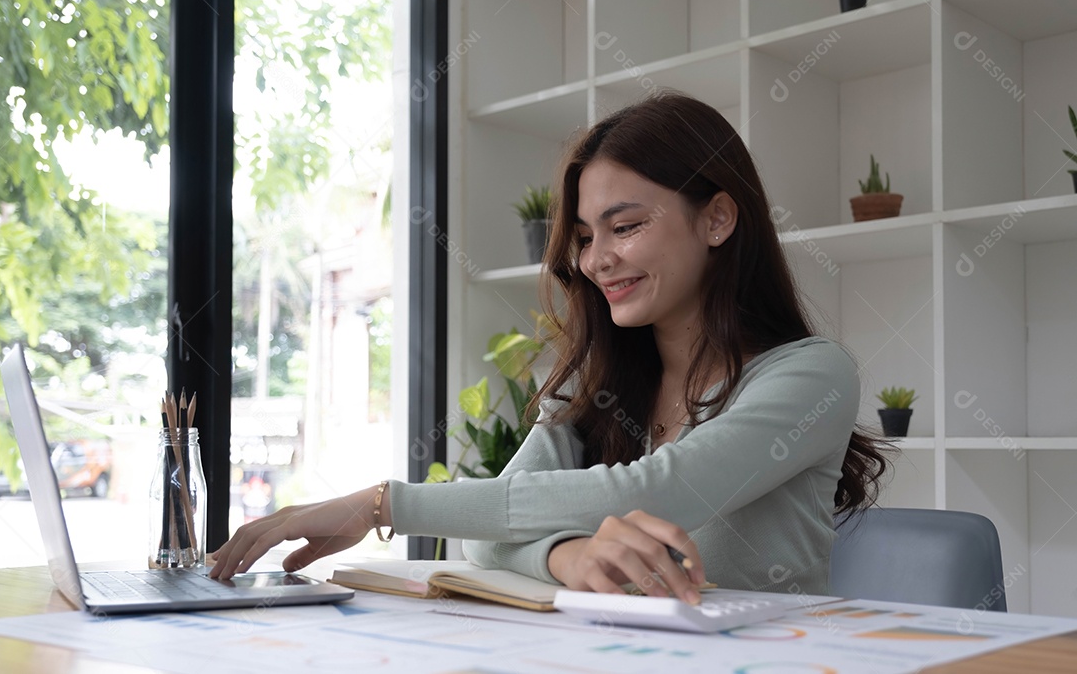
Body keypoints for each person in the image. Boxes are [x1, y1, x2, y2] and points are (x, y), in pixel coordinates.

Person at [210, 90, 893, 605]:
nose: (596, 260)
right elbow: (485, 532)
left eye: (625, 226)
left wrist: (381, 504)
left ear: (716, 218)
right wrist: (566, 557)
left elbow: (662, 490)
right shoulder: (597, 381)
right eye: (586, 237)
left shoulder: (811, 374)